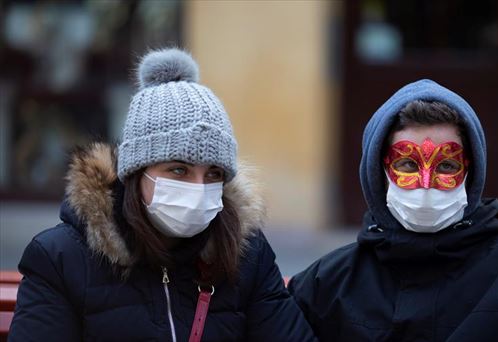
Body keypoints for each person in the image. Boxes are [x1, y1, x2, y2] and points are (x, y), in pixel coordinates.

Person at [9, 48, 316, 341]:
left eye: (213, 174)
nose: (198, 189)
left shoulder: (247, 254)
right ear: (135, 173)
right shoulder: (62, 259)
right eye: (178, 170)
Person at [288, 79, 498, 341]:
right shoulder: (325, 285)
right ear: (377, 173)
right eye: (407, 163)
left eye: (446, 165)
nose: (425, 184)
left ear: (469, 172)